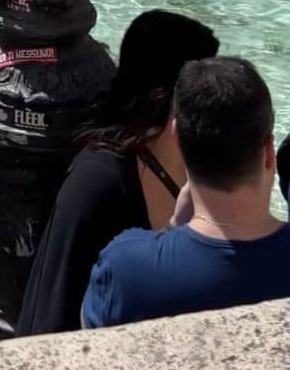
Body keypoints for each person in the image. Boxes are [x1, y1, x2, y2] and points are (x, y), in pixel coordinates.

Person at [17, 10, 220, 335]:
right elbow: (52, 319)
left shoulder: (199, 168)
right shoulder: (97, 184)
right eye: (205, 91)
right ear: (166, 99)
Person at [82, 56, 290, 328]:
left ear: (177, 138)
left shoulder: (126, 268)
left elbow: (89, 341)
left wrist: (171, 230)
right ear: (268, 151)